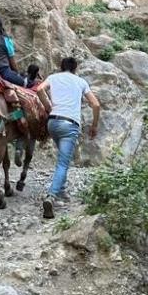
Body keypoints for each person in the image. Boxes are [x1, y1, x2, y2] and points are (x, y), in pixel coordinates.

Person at [36, 57, 100, 219]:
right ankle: (51, 196)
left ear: (61, 67)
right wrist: (94, 126)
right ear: (75, 68)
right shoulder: (80, 82)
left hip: (53, 124)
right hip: (69, 125)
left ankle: (62, 191)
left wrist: (48, 105)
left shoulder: (53, 78)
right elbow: (96, 104)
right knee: (64, 163)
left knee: (62, 159)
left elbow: (39, 89)